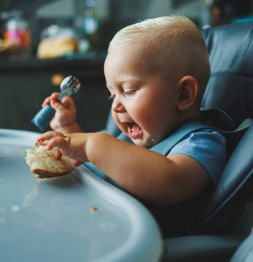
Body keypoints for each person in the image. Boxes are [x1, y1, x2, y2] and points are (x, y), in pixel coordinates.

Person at [37, 16, 226, 236]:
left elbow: (170, 182)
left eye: (128, 91)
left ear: (183, 94)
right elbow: (97, 166)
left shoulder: (202, 143)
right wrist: (68, 129)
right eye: (111, 94)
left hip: (149, 254)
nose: (116, 106)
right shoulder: (136, 139)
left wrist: (92, 145)